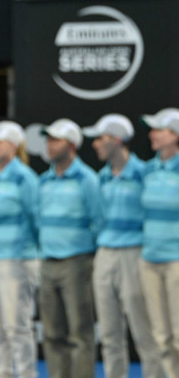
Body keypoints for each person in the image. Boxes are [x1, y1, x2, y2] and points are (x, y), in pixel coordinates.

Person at [82, 114, 162, 378]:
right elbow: (98, 219)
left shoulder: (145, 173)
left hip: (135, 255)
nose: (95, 144)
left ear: (117, 140)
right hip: (104, 255)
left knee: (143, 331)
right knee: (108, 334)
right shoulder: (102, 177)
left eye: (100, 138)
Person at [37, 118, 103, 378]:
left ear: (72, 145)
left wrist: (85, 255)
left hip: (77, 262)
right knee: (52, 333)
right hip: (47, 261)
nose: (50, 145)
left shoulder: (88, 179)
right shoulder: (44, 180)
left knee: (80, 332)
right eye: (48, 139)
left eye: (56, 140)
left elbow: (98, 221)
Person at [0, 121, 40, 378]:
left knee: (16, 327)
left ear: (13, 146)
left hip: (15, 260)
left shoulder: (25, 178)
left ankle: (26, 374)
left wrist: (27, 254)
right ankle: (2, 373)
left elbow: (36, 219)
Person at [138, 107, 179, 378]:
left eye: (159, 130)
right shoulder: (148, 170)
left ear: (175, 135)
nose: (152, 134)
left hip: (176, 260)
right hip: (149, 260)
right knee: (160, 336)